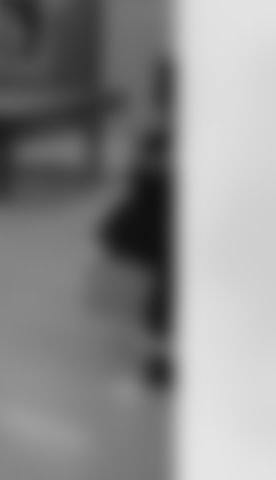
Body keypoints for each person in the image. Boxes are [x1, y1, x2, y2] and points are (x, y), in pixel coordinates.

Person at [95, 58, 175, 393]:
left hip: (160, 224)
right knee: (167, 283)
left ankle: (161, 352)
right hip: (158, 225)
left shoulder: (159, 135)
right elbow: (140, 179)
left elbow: (138, 178)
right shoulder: (158, 135)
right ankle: (161, 353)